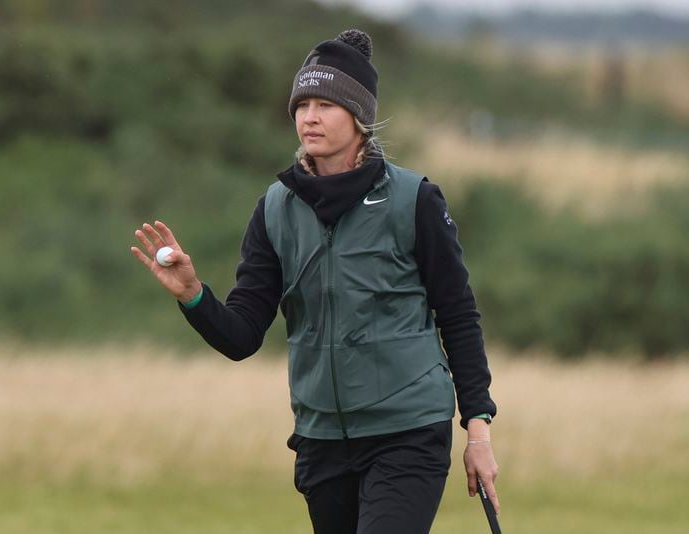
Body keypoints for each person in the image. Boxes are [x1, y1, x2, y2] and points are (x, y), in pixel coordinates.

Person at [131, 29, 499, 534]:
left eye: (326, 104)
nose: (310, 116)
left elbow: (458, 315)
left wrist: (477, 431)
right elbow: (241, 337)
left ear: (359, 117)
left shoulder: (415, 200)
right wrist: (193, 296)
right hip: (322, 439)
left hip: (408, 430)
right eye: (303, 104)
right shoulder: (275, 208)